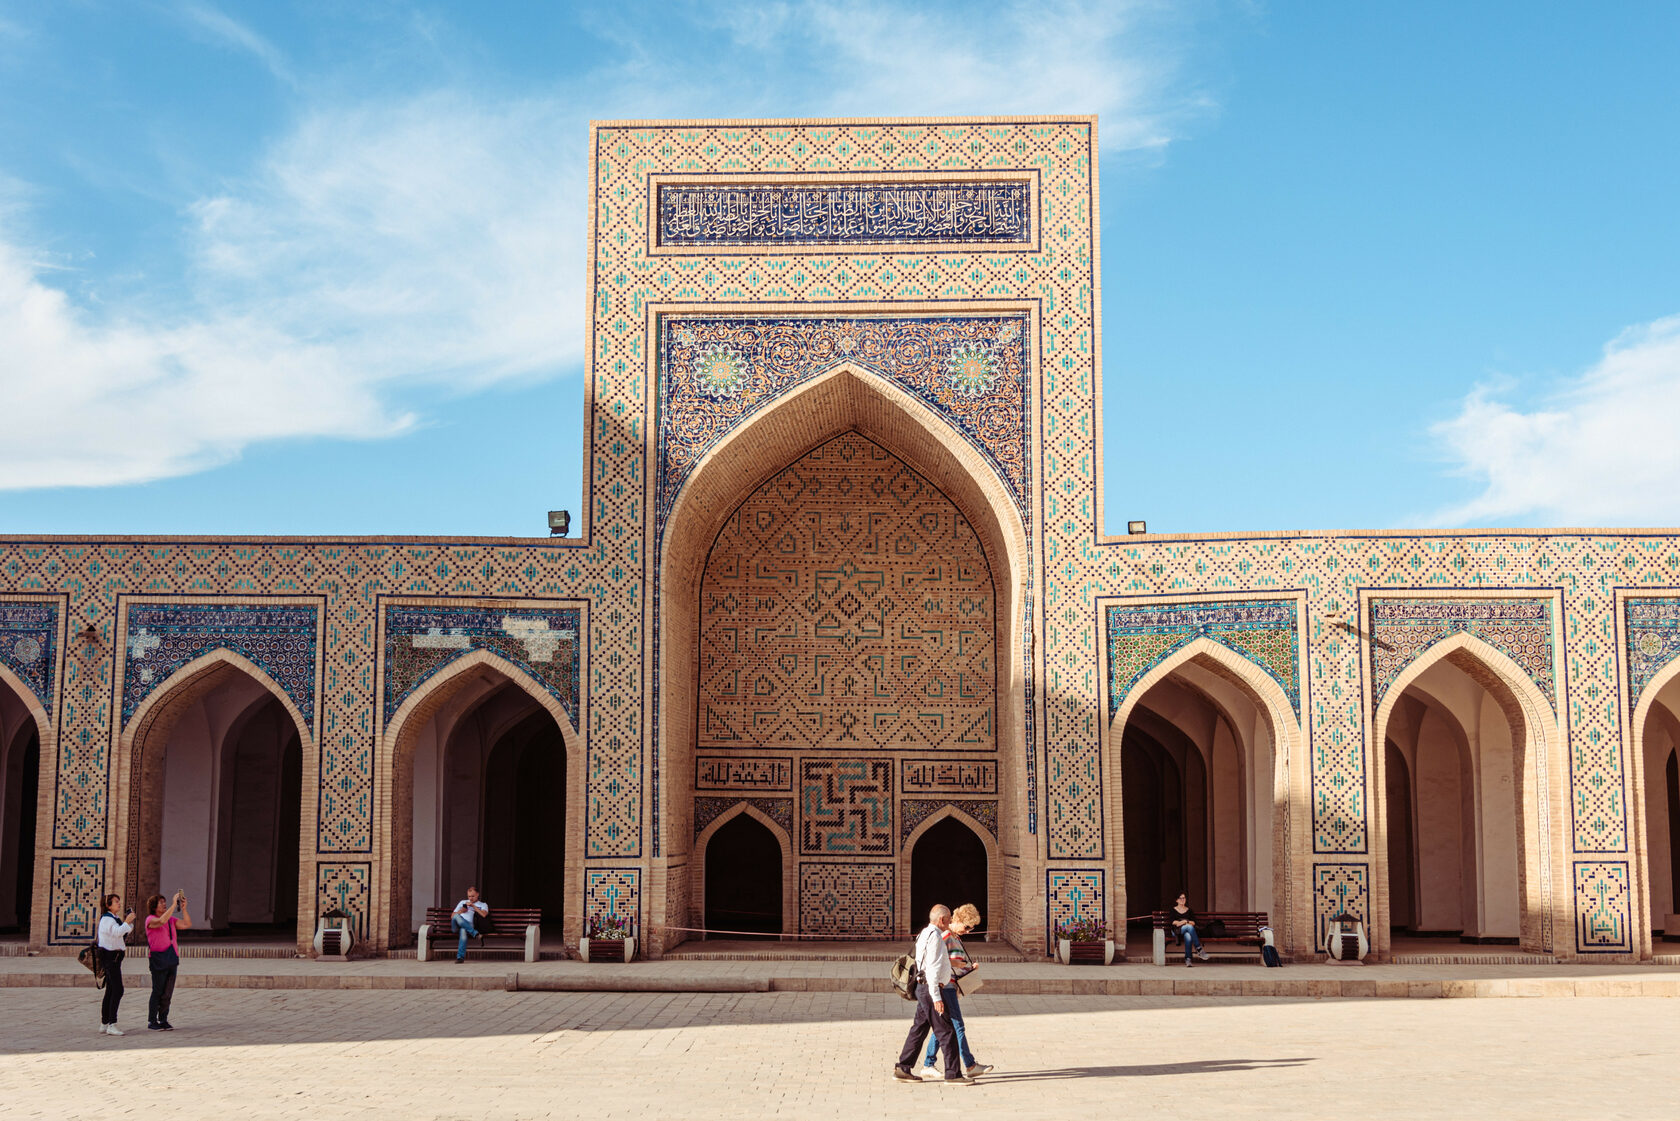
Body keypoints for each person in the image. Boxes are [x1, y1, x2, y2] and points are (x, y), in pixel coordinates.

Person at [892, 904, 973, 1084]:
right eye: (949, 918)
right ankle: (953, 1074)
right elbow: (933, 969)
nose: (951, 921)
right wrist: (936, 997)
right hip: (931, 989)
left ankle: (903, 1068)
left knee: (919, 1029)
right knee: (946, 1031)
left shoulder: (924, 933)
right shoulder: (936, 937)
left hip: (924, 988)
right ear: (942, 920)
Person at [919, 902, 993, 1079]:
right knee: (957, 1025)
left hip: (951, 985)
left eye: (971, 929)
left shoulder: (956, 938)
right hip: (946, 986)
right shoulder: (944, 935)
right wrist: (953, 964)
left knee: (944, 1027)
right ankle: (970, 1065)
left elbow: (954, 963)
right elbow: (934, 958)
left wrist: (968, 969)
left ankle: (928, 1063)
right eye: (966, 927)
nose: (967, 931)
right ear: (958, 919)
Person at [143, 890, 192, 1030]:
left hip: (171, 958)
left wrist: (184, 909)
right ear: (154, 906)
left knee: (168, 992)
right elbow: (161, 921)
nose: (164, 904)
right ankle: (152, 1021)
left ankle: (163, 1019)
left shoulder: (171, 920)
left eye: (165, 902)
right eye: (161, 903)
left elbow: (186, 924)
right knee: (157, 990)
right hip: (158, 959)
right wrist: (172, 904)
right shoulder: (150, 920)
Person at [96, 892, 136, 1035]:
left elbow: (124, 931)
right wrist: (127, 922)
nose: (119, 904)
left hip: (115, 958)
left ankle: (104, 1023)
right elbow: (117, 932)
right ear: (108, 905)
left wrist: (128, 921)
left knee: (111, 990)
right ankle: (112, 1024)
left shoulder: (114, 918)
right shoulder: (107, 919)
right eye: (116, 902)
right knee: (118, 990)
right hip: (110, 958)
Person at [1168, 891, 1210, 966]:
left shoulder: (1189, 910)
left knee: (1188, 936)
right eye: (1180, 898)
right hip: (1176, 931)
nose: (1182, 900)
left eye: (1184, 898)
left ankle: (1188, 959)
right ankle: (1198, 948)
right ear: (1176, 900)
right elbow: (1173, 922)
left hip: (1187, 930)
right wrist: (1185, 922)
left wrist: (1185, 921)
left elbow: (1193, 922)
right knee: (1189, 927)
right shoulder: (1173, 910)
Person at [451, 887, 489, 963]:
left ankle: (460, 958)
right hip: (456, 926)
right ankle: (475, 933)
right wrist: (462, 911)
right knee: (456, 916)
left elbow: (484, 915)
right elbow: (452, 916)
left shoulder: (483, 905)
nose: (470, 898)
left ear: (477, 894)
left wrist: (473, 906)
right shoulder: (462, 902)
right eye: (469, 896)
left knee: (463, 931)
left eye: (473, 896)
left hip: (468, 926)